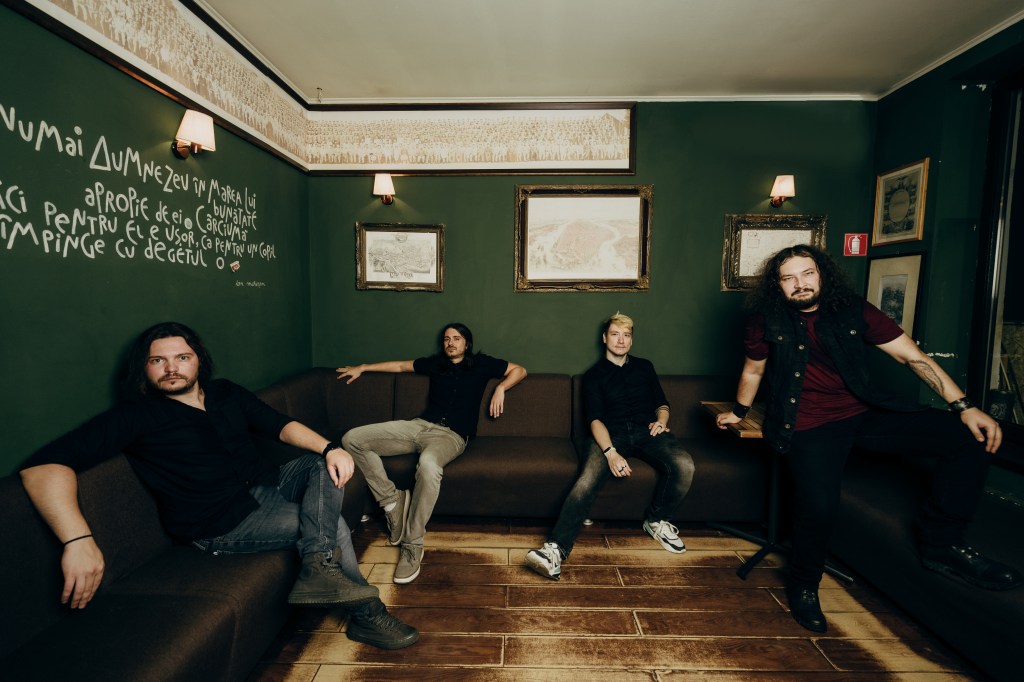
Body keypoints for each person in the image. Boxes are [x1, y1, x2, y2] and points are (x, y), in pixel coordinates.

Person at [19, 322, 418, 650]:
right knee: (332, 526)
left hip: (268, 484)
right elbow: (41, 467)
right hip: (222, 522)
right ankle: (367, 616)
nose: (171, 368)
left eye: (181, 357)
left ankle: (318, 566)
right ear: (144, 368)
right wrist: (77, 540)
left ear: (198, 360)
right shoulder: (135, 416)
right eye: (157, 360)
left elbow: (278, 425)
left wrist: (331, 448)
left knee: (321, 464)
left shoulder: (225, 392)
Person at [716, 244, 1022, 633]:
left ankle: (942, 545)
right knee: (819, 506)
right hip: (807, 423)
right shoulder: (764, 321)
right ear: (777, 285)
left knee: (968, 436)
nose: (800, 284)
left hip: (864, 412)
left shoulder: (853, 310)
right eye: (788, 278)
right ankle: (804, 584)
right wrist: (739, 412)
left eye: (807, 273)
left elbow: (912, 357)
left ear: (822, 274)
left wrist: (964, 407)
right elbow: (754, 371)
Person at [338, 322, 527, 584]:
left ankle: (412, 544)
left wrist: (501, 388)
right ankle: (392, 502)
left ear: (467, 343)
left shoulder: (482, 364)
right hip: (418, 426)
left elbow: (520, 370)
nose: (451, 343)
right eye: (447, 339)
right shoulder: (435, 364)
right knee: (352, 439)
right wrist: (363, 367)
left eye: (457, 338)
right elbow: (400, 366)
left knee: (428, 465)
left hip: (451, 436)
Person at [525, 312, 696, 580]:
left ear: (631, 340)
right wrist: (610, 452)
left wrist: (662, 422)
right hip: (609, 434)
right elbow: (594, 420)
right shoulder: (593, 375)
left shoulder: (645, 367)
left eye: (626, 335)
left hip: (647, 431)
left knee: (685, 465)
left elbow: (662, 404)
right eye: (615, 334)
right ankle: (555, 550)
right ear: (605, 338)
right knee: (586, 481)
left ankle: (656, 521)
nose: (621, 340)